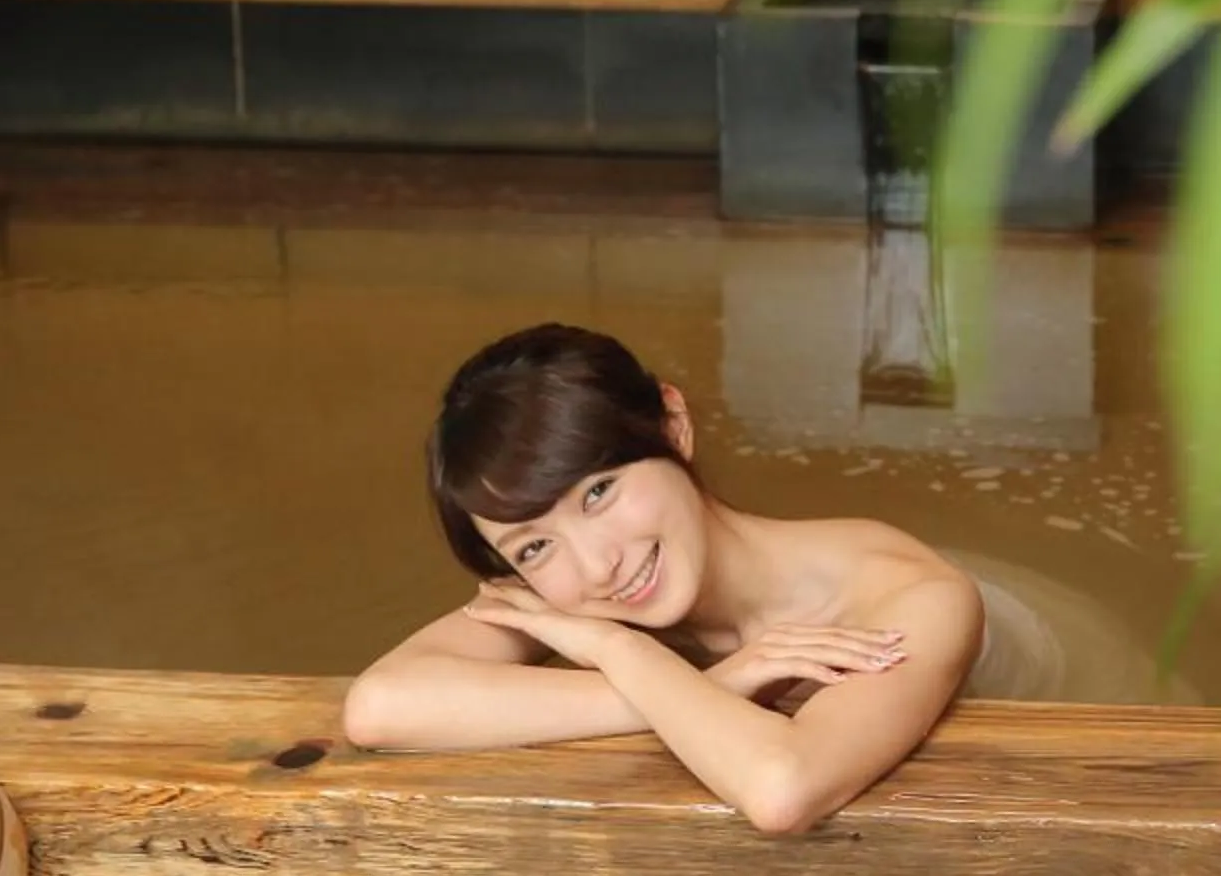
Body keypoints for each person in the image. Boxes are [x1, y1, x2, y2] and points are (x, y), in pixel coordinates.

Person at [341, 323, 982, 834]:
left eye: (598, 493)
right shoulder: (579, 596)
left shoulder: (909, 595)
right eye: (534, 546)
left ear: (673, 426)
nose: (597, 565)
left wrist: (619, 652)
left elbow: (782, 789)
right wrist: (694, 680)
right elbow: (381, 705)